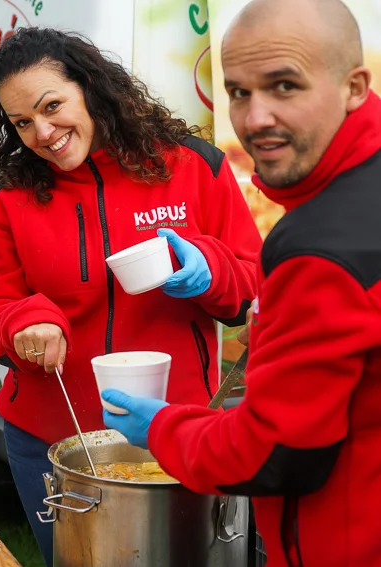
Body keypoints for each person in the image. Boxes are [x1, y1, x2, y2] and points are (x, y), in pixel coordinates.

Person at [0, 27, 262, 566]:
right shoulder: (9, 197)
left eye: (52, 105)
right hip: (53, 442)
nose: (43, 132)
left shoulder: (193, 166)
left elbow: (249, 287)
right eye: (22, 122)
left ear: (91, 86)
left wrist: (210, 271)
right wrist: (25, 323)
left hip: (181, 429)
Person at [102, 1, 381, 566]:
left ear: (354, 86)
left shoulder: (322, 249)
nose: (254, 119)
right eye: (238, 91)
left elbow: (275, 454)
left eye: (284, 86)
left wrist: (163, 426)